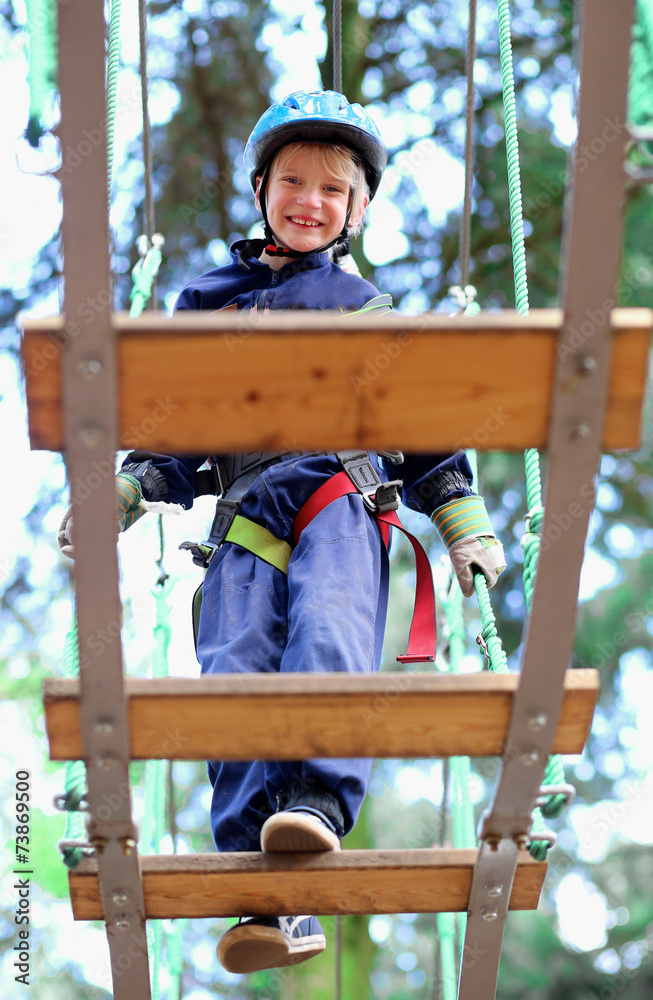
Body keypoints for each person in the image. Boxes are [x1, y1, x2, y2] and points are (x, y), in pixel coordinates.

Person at [58, 90, 505, 975]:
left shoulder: (368, 311)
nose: (310, 201)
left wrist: (462, 524)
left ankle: (315, 805)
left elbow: (424, 434)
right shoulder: (209, 305)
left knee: (328, 636)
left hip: (336, 498)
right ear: (261, 190)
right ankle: (260, 893)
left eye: (333, 190)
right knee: (232, 677)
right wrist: (121, 494)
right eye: (293, 182)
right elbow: (174, 431)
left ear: (357, 211)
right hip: (240, 524)